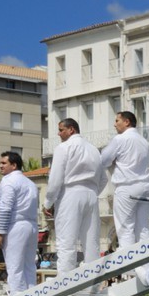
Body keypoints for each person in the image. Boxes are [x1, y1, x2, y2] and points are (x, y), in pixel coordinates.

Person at [45, 117, 104, 275]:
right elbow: (104, 178)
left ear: (71, 129)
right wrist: (92, 192)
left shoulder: (64, 148)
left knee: (66, 242)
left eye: (61, 130)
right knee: (91, 243)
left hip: (70, 193)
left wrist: (48, 202)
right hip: (91, 194)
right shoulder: (94, 150)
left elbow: (55, 178)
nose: (59, 134)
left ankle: (64, 285)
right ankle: (94, 282)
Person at [100, 111, 149, 252]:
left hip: (126, 187)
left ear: (127, 122)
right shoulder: (145, 142)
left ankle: (130, 271)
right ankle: (147, 266)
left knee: (125, 229)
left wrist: (115, 160)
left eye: (117, 120)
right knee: (143, 228)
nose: (114, 124)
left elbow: (103, 160)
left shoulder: (120, 139)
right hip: (145, 186)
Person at [0, 150, 39, 294]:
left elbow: (5, 208)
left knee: (15, 267)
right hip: (32, 225)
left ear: (13, 165)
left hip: (16, 225)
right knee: (29, 266)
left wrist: (1, 232)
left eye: (3, 163)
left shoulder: (8, 181)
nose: (0, 166)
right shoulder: (30, 183)